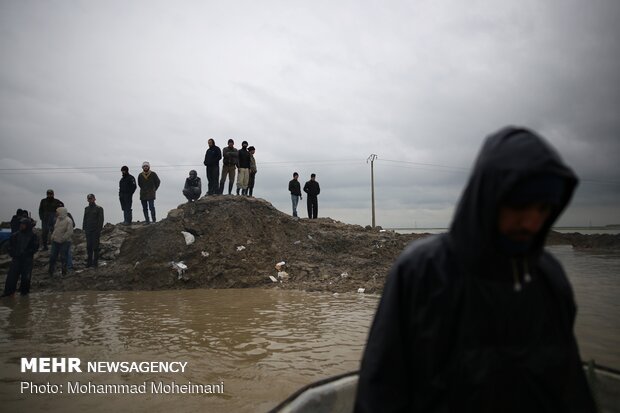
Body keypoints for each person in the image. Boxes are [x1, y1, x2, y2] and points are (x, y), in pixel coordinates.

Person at [354, 127, 596, 413]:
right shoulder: (422, 272)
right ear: (488, 196)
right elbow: (381, 389)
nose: (532, 222)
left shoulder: (549, 278)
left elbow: (570, 389)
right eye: (520, 205)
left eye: (543, 208)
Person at [1, 218, 39, 297]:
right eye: (21, 224)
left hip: (27, 260)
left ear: (27, 226)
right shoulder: (15, 235)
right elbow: (9, 246)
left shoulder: (33, 236)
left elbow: (35, 247)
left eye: (23, 224)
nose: (21, 226)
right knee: (11, 277)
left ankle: (24, 295)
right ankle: (9, 293)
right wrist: (12, 253)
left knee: (26, 279)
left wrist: (27, 253)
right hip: (16, 259)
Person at [48, 206, 73, 276]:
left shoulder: (68, 220)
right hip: (55, 241)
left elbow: (69, 232)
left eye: (57, 212)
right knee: (53, 256)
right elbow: (55, 229)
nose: (56, 213)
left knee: (63, 257)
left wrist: (63, 239)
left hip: (64, 242)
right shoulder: (58, 219)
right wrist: (52, 237)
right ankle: (51, 271)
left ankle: (64, 272)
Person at [83, 194, 104, 268]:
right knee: (89, 246)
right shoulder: (86, 208)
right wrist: (84, 229)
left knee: (95, 247)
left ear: (94, 199)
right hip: (88, 230)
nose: (90, 200)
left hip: (95, 231)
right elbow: (85, 219)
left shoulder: (99, 208)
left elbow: (101, 220)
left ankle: (95, 263)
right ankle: (89, 263)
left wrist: (98, 230)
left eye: (91, 198)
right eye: (89, 199)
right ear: (87, 200)